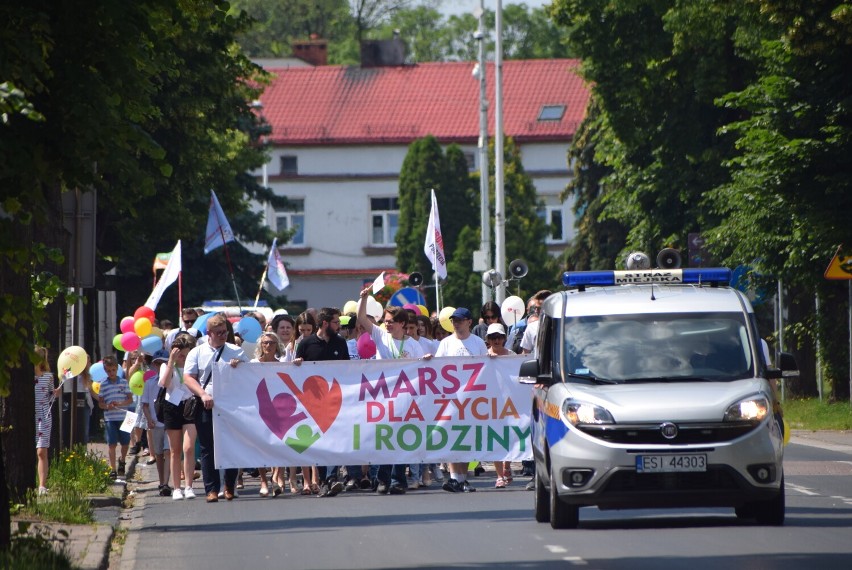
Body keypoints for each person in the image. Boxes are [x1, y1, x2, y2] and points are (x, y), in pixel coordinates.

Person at [357, 286, 428, 494]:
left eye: (390, 321)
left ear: (402, 324)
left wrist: (426, 362)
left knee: (400, 440)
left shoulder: (413, 345)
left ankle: (398, 481)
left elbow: (421, 367)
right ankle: (382, 480)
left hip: (405, 399)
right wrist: (364, 298)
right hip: (383, 397)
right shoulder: (380, 335)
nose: (386, 324)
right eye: (385, 321)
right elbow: (362, 319)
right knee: (386, 439)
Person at [183, 313, 248, 503]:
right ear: (209, 333)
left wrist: (240, 366)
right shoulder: (197, 352)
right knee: (207, 447)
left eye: (224, 332)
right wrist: (202, 394)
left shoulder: (235, 351)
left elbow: (250, 375)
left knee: (230, 446)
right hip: (206, 404)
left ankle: (229, 486)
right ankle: (211, 489)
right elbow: (188, 377)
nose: (222, 335)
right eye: (218, 332)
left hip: (231, 405)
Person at [295, 307, 349, 497]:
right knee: (319, 441)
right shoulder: (306, 343)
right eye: (336, 322)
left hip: (335, 399)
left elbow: (348, 369)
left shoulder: (340, 343)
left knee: (334, 440)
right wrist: (297, 364)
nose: (339, 326)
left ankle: (331, 478)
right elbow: (296, 372)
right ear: (325, 323)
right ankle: (325, 479)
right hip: (313, 402)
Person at [434, 307, 488, 493]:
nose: (456, 323)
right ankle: (454, 477)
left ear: (469, 322)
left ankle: (463, 478)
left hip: (472, 399)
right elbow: (436, 368)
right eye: (454, 320)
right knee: (452, 437)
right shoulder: (446, 343)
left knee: (466, 438)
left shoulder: (478, 342)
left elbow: (485, 367)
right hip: (451, 399)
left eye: (459, 320)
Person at [159, 333, 199, 500]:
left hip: (190, 405)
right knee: (174, 450)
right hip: (172, 406)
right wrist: (170, 362)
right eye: (180, 354)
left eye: (186, 354)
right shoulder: (167, 366)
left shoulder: (194, 367)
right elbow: (164, 383)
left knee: (188, 448)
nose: (183, 358)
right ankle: (177, 487)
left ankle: (188, 485)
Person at [249, 331, 286, 497]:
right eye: (265, 343)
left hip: (278, 410)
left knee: (278, 444)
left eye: (271, 343)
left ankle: (276, 476)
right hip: (259, 409)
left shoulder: (283, 365)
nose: (268, 345)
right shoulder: (252, 364)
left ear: (277, 345)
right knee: (260, 447)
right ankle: (263, 480)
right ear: (260, 346)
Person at [485, 323, 513, 488]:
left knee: (508, 436)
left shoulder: (512, 355)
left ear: (504, 338)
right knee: (494, 437)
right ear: (487, 339)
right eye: (492, 337)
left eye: (499, 337)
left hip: (510, 401)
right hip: (489, 402)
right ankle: (499, 475)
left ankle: (507, 466)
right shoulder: (482, 356)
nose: (496, 340)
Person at [98, 354, 134, 479]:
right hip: (110, 418)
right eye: (108, 371)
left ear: (117, 369)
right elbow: (100, 403)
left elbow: (130, 400)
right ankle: (112, 469)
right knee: (111, 444)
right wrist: (106, 406)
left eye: (113, 370)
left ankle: (122, 460)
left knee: (125, 442)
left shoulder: (123, 382)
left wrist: (120, 403)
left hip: (124, 416)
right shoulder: (103, 384)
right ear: (105, 370)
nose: (111, 373)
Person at [143, 350, 172, 497]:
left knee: (168, 451)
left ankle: (166, 483)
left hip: (169, 422)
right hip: (155, 423)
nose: (161, 366)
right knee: (159, 454)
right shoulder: (150, 383)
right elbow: (145, 404)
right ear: (154, 364)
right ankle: (161, 482)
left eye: (164, 363)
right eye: (158, 363)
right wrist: (149, 419)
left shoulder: (171, 380)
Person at [34, 346, 60, 495]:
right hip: (30, 414)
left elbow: (51, 396)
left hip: (43, 415)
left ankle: (42, 485)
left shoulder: (48, 376)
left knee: (42, 451)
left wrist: (56, 393)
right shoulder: (25, 378)